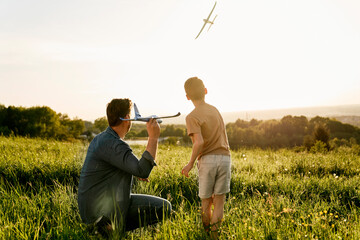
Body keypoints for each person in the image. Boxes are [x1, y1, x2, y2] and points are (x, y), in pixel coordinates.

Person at [78, 98, 171, 237]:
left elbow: (111, 167)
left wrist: (132, 171)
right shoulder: (114, 144)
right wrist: (153, 138)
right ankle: (106, 228)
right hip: (99, 211)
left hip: (95, 205)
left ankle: (114, 229)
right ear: (127, 118)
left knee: (159, 206)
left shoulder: (102, 139)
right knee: (164, 207)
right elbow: (143, 171)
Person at [181, 77, 231, 239]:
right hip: (224, 158)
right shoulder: (215, 110)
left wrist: (189, 164)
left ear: (187, 96)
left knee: (205, 203)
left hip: (207, 161)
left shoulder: (192, 117)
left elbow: (199, 142)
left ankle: (206, 236)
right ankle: (215, 237)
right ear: (205, 90)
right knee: (219, 203)